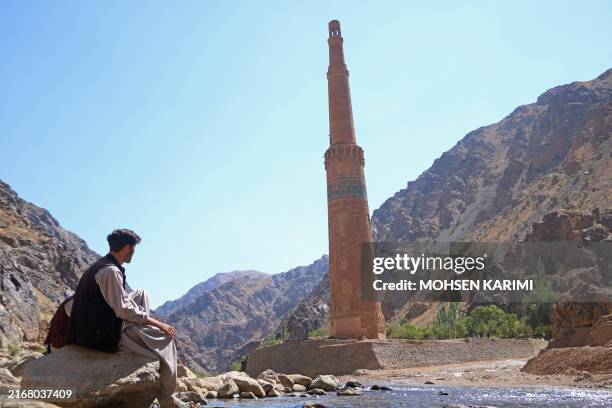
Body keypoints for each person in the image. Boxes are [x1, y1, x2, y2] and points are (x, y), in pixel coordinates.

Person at [66, 229, 184, 408]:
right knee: (166, 339)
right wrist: (157, 323)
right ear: (128, 248)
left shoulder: (104, 265)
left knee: (140, 293)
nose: (134, 253)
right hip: (98, 335)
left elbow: (121, 304)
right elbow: (122, 310)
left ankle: (137, 330)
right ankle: (167, 400)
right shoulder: (109, 271)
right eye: (134, 249)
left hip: (101, 321)